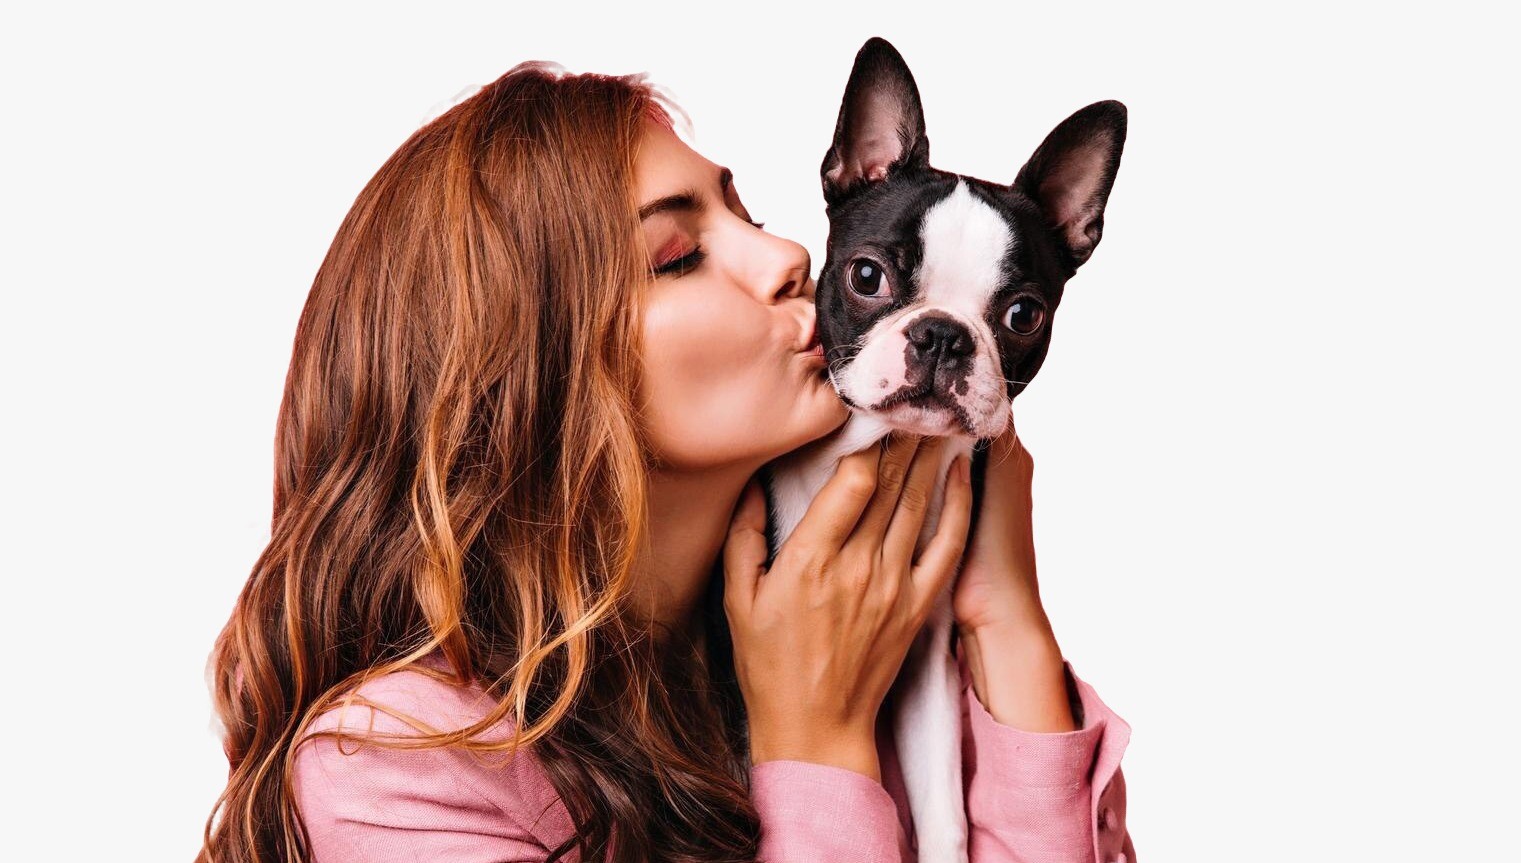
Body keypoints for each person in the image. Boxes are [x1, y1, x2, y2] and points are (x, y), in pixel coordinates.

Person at [197, 61, 1133, 863]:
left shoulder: (873, 625)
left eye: (750, 214)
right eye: (680, 255)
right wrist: (816, 739)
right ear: (522, 365)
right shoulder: (399, 761)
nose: (787, 256)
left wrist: (1007, 617)